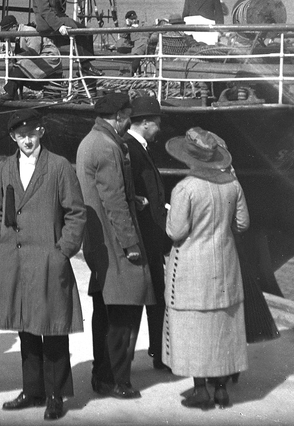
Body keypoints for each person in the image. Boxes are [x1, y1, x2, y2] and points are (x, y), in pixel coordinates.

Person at [0, 110, 87, 421]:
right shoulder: (5, 168)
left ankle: (55, 395)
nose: (27, 140)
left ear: (42, 132)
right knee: (26, 328)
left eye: (32, 133)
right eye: (21, 135)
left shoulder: (58, 167)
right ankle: (32, 390)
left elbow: (76, 213)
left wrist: (62, 251)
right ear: (13, 138)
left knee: (53, 329)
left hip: (48, 259)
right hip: (15, 260)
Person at [163, 127, 250, 410]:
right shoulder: (232, 186)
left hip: (191, 267)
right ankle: (222, 390)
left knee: (194, 328)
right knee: (222, 326)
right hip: (225, 265)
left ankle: (201, 390)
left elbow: (176, 231)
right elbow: (242, 224)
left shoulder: (184, 189)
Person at [75, 92, 152, 399]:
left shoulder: (90, 142)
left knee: (103, 311)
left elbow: (98, 192)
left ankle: (101, 374)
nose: (129, 122)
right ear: (119, 117)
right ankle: (117, 379)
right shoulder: (108, 148)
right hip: (116, 243)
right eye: (128, 117)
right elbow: (114, 201)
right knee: (125, 311)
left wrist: (133, 198)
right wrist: (131, 243)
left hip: (98, 241)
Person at [123, 95, 169, 372]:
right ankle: (159, 353)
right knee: (154, 295)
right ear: (146, 123)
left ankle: (158, 349)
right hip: (145, 235)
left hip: (148, 233)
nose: (159, 129)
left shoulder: (135, 147)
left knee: (154, 296)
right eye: (157, 123)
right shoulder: (131, 149)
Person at [30, 0, 96, 75]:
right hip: (49, 22)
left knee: (87, 32)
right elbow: (45, 11)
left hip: (59, 18)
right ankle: (85, 66)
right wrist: (59, 26)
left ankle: (85, 65)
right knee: (80, 31)